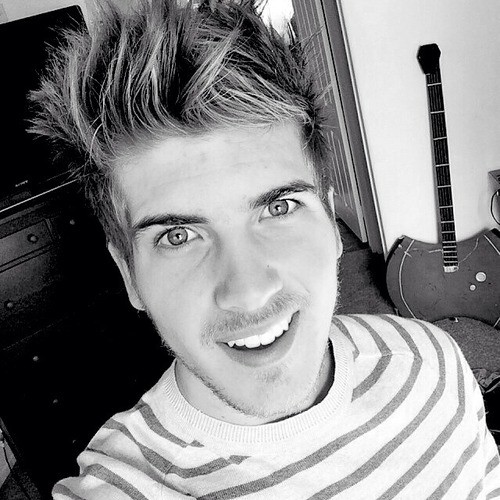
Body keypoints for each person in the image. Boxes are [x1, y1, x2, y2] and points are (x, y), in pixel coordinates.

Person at [30, 0, 500, 498]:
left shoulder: (435, 361)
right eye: (178, 236)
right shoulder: (123, 486)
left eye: (278, 208)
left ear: (331, 225)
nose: (249, 291)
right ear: (129, 275)